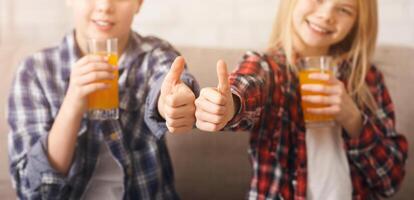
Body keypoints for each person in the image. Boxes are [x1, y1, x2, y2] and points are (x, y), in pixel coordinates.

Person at [194, 0, 408, 199]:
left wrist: (353, 119)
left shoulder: (366, 78)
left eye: (344, 9)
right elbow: (248, 85)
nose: (326, 15)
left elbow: (390, 181)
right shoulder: (269, 69)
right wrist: (230, 104)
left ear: (357, 22)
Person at [7, 0, 198, 199]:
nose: (105, 6)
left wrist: (172, 101)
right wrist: (72, 104)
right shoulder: (35, 71)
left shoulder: (153, 55)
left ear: (139, 3)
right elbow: (32, 190)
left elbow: (167, 81)